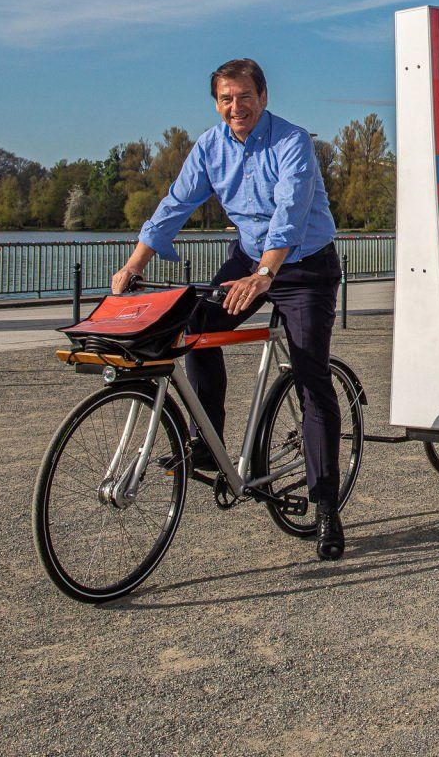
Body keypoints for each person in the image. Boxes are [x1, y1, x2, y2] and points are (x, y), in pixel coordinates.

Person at [112, 58, 347, 561]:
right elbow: (175, 204)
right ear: (216, 103)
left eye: (244, 97)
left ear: (263, 97)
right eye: (225, 99)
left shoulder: (292, 141)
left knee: (311, 377)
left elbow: (290, 212)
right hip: (248, 257)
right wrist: (133, 265)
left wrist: (265, 275)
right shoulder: (210, 146)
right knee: (194, 325)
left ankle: (326, 504)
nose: (235, 107)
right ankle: (208, 439)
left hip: (303, 265)